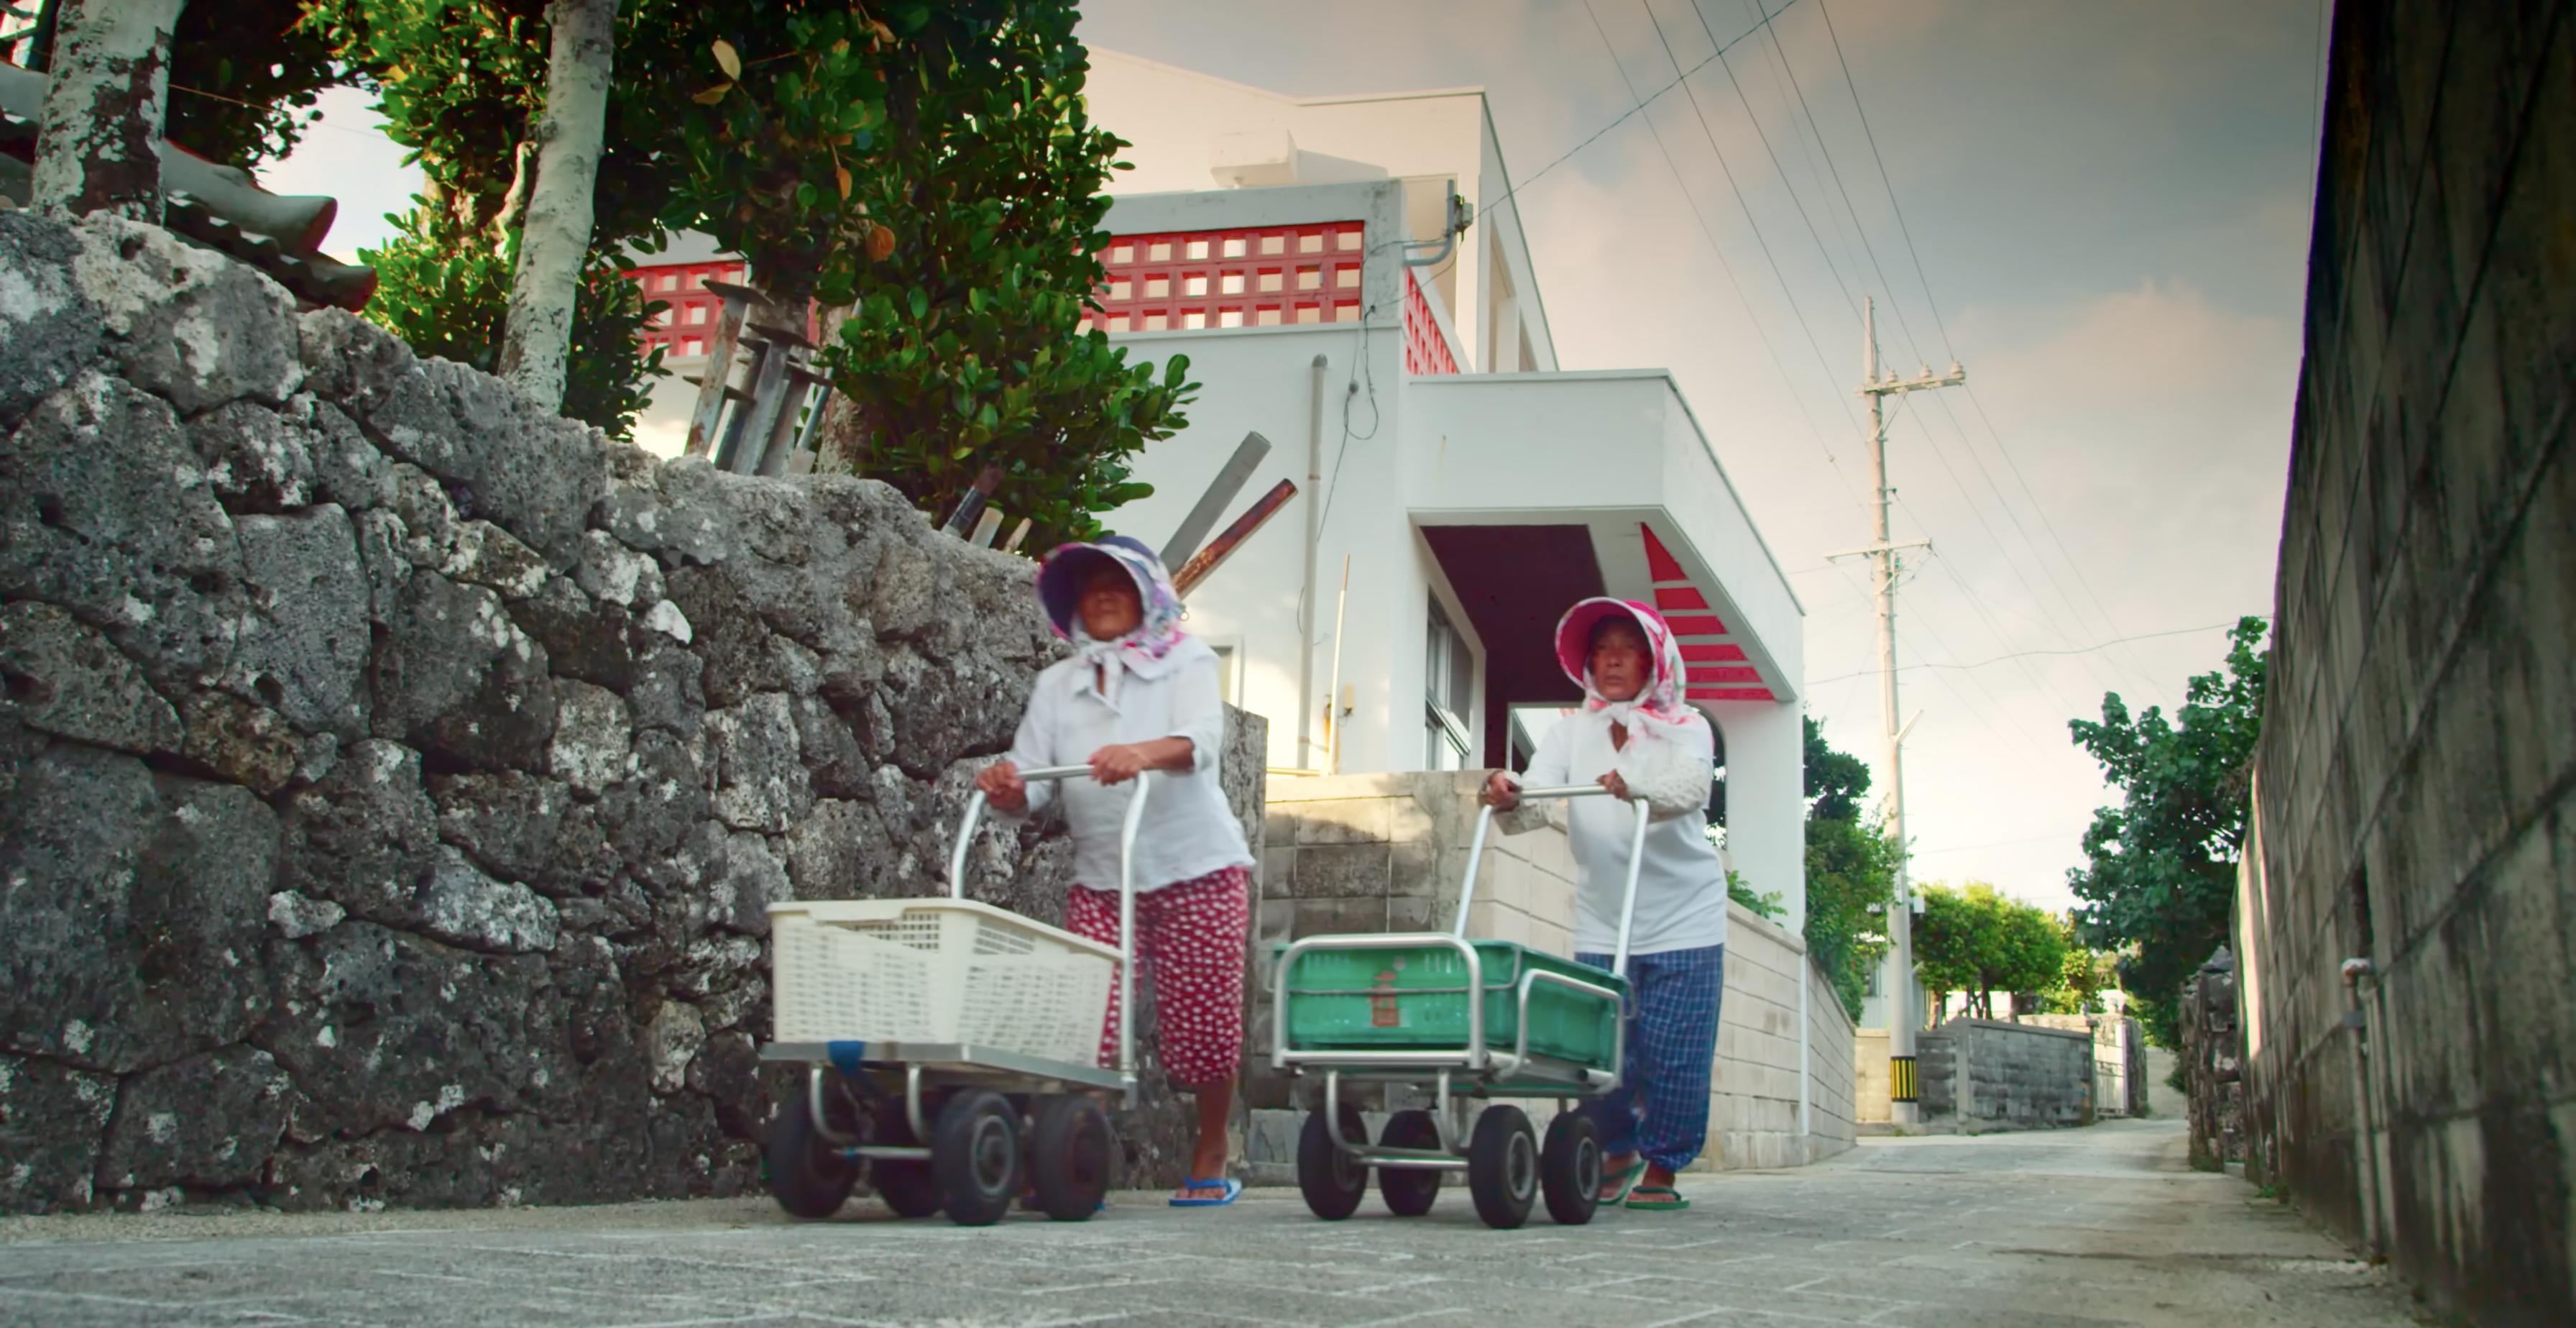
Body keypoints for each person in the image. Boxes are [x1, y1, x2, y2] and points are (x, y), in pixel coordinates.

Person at [975, 536, 1255, 1207]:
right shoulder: (1058, 684)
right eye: (1089, 585)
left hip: (1197, 868)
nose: (1101, 594)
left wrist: (1142, 751)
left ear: (1149, 596)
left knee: (1204, 1032)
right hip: (1104, 878)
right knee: (1086, 1024)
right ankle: (1074, 1159)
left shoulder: (1185, 659)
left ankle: (1212, 1146)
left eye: (1118, 583)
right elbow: (1034, 783)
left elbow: (1201, 742)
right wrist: (1008, 788)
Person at [1481, 597, 1726, 1212]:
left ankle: (1663, 1168)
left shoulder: (1686, 725)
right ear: (1586, 662)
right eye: (1603, 649)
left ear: (1654, 660)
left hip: (1684, 917)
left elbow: (1693, 787)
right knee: (1599, 1049)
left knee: (1675, 1052)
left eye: (1628, 648)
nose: (1614, 659)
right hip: (1603, 916)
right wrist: (1509, 794)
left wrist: (1637, 786)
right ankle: (1614, 1149)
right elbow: (1538, 793)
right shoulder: (1572, 729)